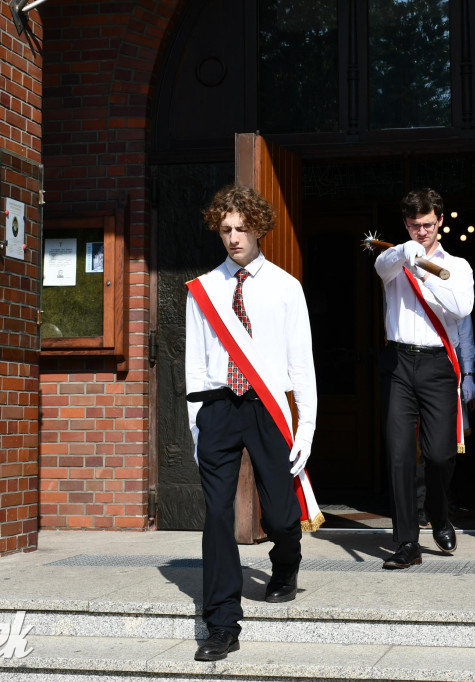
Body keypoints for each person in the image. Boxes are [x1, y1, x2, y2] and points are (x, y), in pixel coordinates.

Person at [185, 185, 318, 661]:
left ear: (259, 228)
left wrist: (306, 429)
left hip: (268, 408)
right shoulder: (203, 289)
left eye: (242, 228)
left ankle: (287, 562)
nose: (234, 238)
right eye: (226, 230)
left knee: (281, 512)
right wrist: (197, 424)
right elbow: (195, 365)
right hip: (219, 407)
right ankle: (221, 622)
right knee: (218, 515)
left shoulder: (286, 287)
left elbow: (301, 365)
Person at [375, 188, 474, 569]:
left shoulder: (459, 265)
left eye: (428, 225)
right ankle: (406, 543)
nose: (422, 232)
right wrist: (404, 255)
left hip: (437, 365)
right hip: (399, 362)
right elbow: (381, 265)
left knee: (439, 454)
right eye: (414, 225)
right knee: (399, 454)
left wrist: (426, 273)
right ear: (405, 224)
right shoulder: (394, 259)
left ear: (440, 221)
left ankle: (439, 511)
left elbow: (461, 307)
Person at [416, 314, 475, 526]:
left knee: (447, 445)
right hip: (418, 368)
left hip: (452, 372)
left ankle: (441, 499)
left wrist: (469, 374)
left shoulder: (457, 290)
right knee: (421, 444)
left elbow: (465, 336)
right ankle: (419, 504)